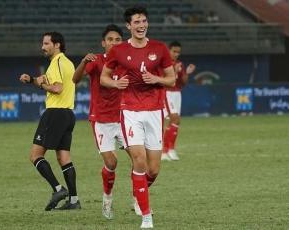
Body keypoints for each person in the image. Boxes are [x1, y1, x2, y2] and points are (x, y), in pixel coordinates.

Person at [100, 6, 175, 229]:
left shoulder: (160, 48)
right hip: (130, 111)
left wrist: (155, 78)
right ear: (129, 26)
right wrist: (115, 83)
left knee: (153, 170)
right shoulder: (118, 51)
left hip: (154, 111)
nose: (141, 25)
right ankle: (146, 216)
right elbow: (104, 77)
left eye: (144, 21)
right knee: (139, 160)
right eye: (137, 22)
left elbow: (171, 79)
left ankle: (138, 189)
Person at [19, 31, 80, 211]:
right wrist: (32, 80)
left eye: (46, 43)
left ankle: (58, 189)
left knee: (35, 155)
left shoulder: (57, 62)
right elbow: (47, 83)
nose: (43, 47)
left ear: (57, 45)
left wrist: (43, 84)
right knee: (64, 158)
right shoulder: (67, 63)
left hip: (55, 113)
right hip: (68, 114)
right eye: (43, 44)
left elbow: (57, 88)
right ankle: (74, 200)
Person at [72, 24, 125, 220]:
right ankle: (107, 199)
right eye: (110, 39)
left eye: (117, 39)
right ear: (103, 43)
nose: (114, 42)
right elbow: (75, 79)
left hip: (124, 118)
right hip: (101, 119)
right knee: (111, 162)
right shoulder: (97, 61)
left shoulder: (127, 61)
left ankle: (139, 201)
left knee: (140, 159)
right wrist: (82, 62)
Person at [162, 41, 196, 161]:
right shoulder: (164, 63)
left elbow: (183, 82)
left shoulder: (179, 64)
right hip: (167, 93)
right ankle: (164, 151)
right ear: (169, 50)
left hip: (177, 94)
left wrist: (186, 73)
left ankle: (171, 149)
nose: (176, 54)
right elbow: (164, 79)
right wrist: (174, 70)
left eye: (178, 52)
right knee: (174, 118)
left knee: (176, 121)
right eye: (174, 51)